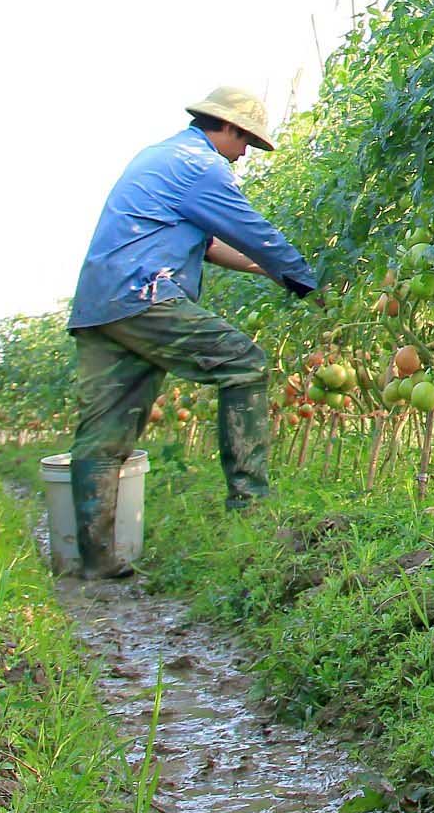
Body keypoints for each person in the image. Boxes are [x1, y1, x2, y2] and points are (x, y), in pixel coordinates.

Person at [65, 87, 321, 576]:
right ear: (225, 128)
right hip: (144, 295)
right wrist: (304, 280)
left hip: (101, 306)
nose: (244, 153)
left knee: (103, 433)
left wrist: (264, 271)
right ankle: (251, 505)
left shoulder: (160, 157)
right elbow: (252, 229)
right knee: (245, 365)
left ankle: (96, 561)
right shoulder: (200, 165)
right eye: (244, 142)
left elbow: (204, 245)